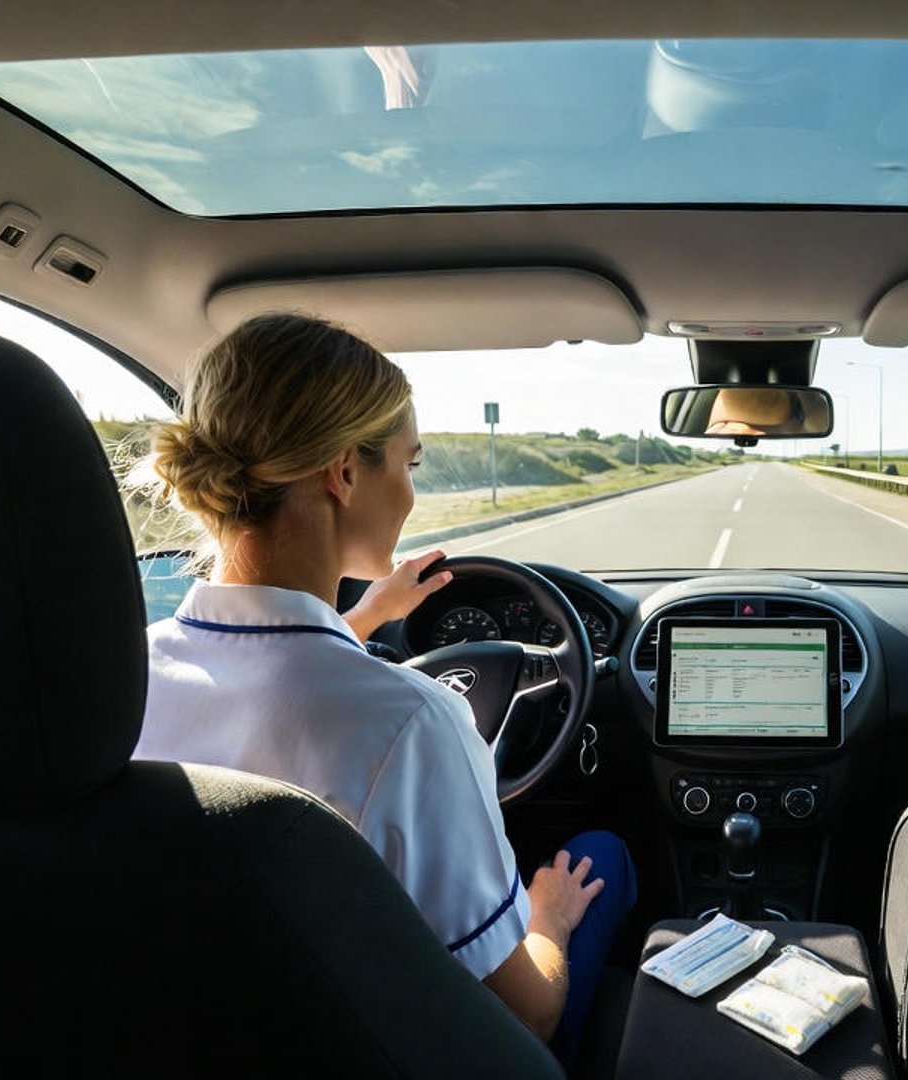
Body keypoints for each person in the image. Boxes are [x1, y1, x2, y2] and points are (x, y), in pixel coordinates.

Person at [132, 312, 634, 1056]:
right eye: (410, 463)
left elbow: (274, 682)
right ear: (342, 473)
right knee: (602, 855)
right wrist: (547, 921)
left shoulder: (125, 676)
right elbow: (525, 1015)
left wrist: (361, 622)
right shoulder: (413, 722)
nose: (408, 491)